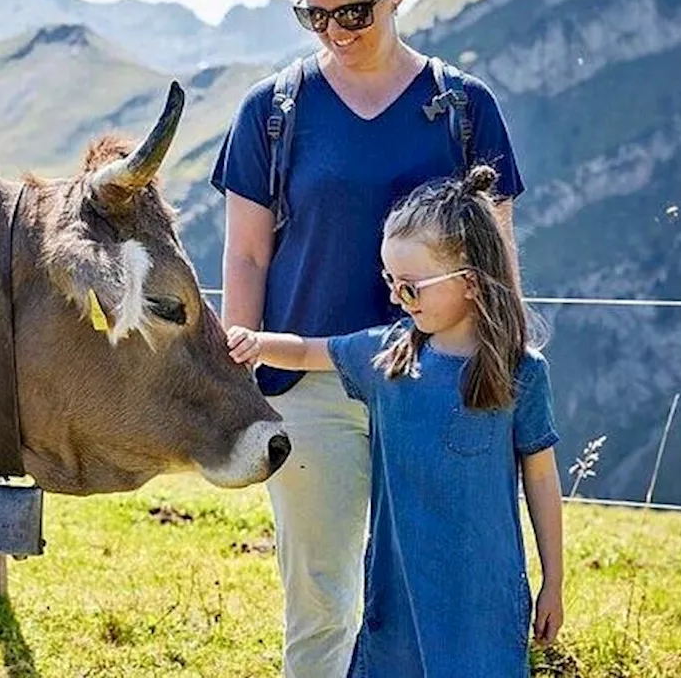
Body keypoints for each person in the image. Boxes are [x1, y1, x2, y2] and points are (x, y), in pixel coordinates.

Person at [209, 0, 526, 674]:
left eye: (352, 13)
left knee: (434, 594)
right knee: (321, 602)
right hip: (306, 387)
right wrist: (242, 383)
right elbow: (249, 258)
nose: (334, 31)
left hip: (436, 384)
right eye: (313, 15)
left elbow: (495, 260)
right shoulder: (272, 111)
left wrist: (498, 367)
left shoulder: (464, 108)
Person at [226, 165, 565, 677]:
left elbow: (541, 478)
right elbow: (305, 352)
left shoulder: (520, 372)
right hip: (397, 598)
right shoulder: (386, 360)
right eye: (390, 282)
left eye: (410, 288)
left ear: (469, 282)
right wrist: (252, 341)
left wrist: (553, 581)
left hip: (484, 603)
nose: (395, 300)